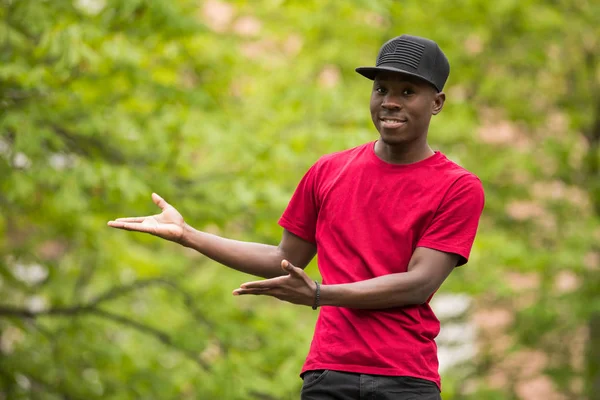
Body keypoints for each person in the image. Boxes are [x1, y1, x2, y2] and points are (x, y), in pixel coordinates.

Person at [108, 34, 484, 400]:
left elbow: (418, 283)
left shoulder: (458, 187)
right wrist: (188, 234)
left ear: (436, 102)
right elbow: (281, 258)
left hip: (404, 379)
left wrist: (321, 294)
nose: (389, 102)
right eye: (381, 89)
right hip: (329, 371)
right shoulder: (328, 171)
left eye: (407, 92)